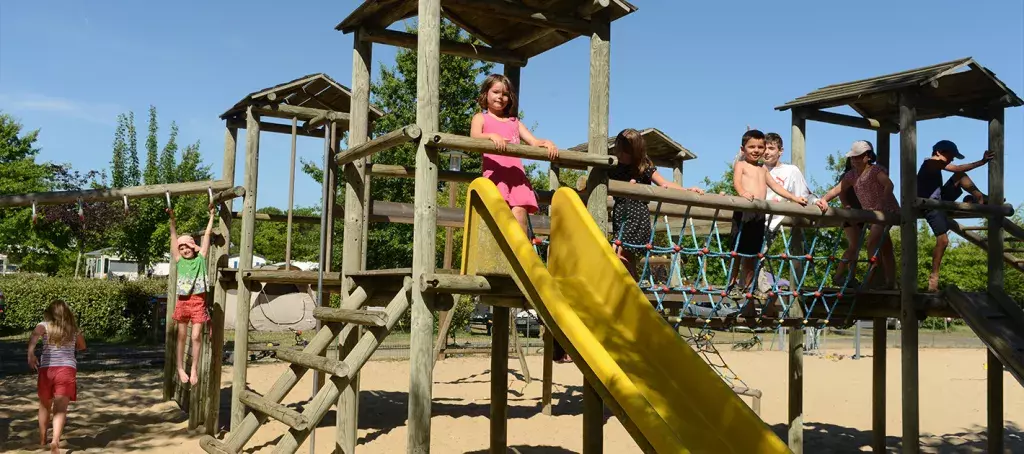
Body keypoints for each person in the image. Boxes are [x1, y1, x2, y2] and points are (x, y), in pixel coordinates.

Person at [608, 128, 704, 279]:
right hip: (620, 216)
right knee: (626, 255)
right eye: (618, 149)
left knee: (618, 251)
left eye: (624, 151)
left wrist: (687, 190)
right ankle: (631, 288)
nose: (620, 154)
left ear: (635, 152)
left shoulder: (643, 165)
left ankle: (631, 289)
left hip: (636, 215)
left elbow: (664, 184)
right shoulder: (613, 166)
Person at [470, 73, 558, 234]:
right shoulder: (481, 118)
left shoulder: (514, 123)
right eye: (496, 92)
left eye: (505, 94)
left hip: (517, 178)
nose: (500, 97)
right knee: (499, 218)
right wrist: (490, 135)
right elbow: (474, 137)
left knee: (519, 218)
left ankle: (521, 255)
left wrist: (546, 143)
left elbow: (534, 142)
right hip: (496, 177)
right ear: (485, 94)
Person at [731, 129, 807, 298]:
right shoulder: (741, 165)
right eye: (751, 147)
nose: (756, 150)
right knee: (737, 251)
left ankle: (749, 287)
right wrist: (743, 192)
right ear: (743, 149)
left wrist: (794, 197)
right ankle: (732, 283)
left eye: (760, 147)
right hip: (744, 211)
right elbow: (736, 182)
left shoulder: (763, 169)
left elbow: (776, 187)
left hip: (759, 214)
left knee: (753, 253)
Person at [817, 140, 898, 288]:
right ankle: (891, 282)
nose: (854, 160)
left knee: (873, 240)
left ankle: (871, 277)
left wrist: (882, 202)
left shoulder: (875, 170)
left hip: (884, 211)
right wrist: (824, 199)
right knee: (885, 247)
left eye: (858, 156)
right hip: (870, 213)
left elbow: (889, 184)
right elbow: (838, 189)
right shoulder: (852, 175)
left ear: (868, 156)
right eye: (853, 157)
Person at [917, 140, 994, 292]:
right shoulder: (930, 163)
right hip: (930, 205)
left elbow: (957, 171)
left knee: (960, 175)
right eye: (951, 156)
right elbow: (956, 167)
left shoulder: (937, 163)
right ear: (939, 152)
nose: (952, 159)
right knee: (943, 241)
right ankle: (933, 279)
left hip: (940, 199)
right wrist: (982, 161)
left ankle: (980, 197)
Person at [28, 300, 86, 454]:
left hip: (47, 369)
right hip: (67, 369)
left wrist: (31, 353)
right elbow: (82, 346)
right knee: (60, 409)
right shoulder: (73, 329)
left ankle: (42, 439)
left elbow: (34, 337)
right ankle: (55, 441)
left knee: (45, 405)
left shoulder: (44, 325)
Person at [169, 205, 216, 385]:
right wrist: (172, 220)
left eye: (186, 247)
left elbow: (208, 235)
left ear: (192, 246)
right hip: (183, 302)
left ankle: (193, 368)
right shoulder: (179, 261)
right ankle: (180, 367)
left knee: (196, 336)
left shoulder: (201, 258)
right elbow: (173, 237)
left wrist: (212, 216)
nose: (183, 250)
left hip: (198, 302)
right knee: (181, 335)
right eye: (181, 248)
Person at [818, 157, 866, 287]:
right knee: (853, 246)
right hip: (850, 215)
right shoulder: (847, 175)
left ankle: (851, 277)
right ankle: (838, 275)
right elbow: (841, 193)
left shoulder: (866, 174)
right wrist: (846, 206)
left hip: (862, 215)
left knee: (856, 249)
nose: (855, 162)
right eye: (852, 159)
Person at [762, 132, 815, 232]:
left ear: (780, 151)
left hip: (774, 224)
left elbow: (804, 194)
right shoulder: (756, 168)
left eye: (771, 148)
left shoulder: (791, 171)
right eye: (763, 148)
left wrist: (816, 201)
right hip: (754, 219)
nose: (766, 152)